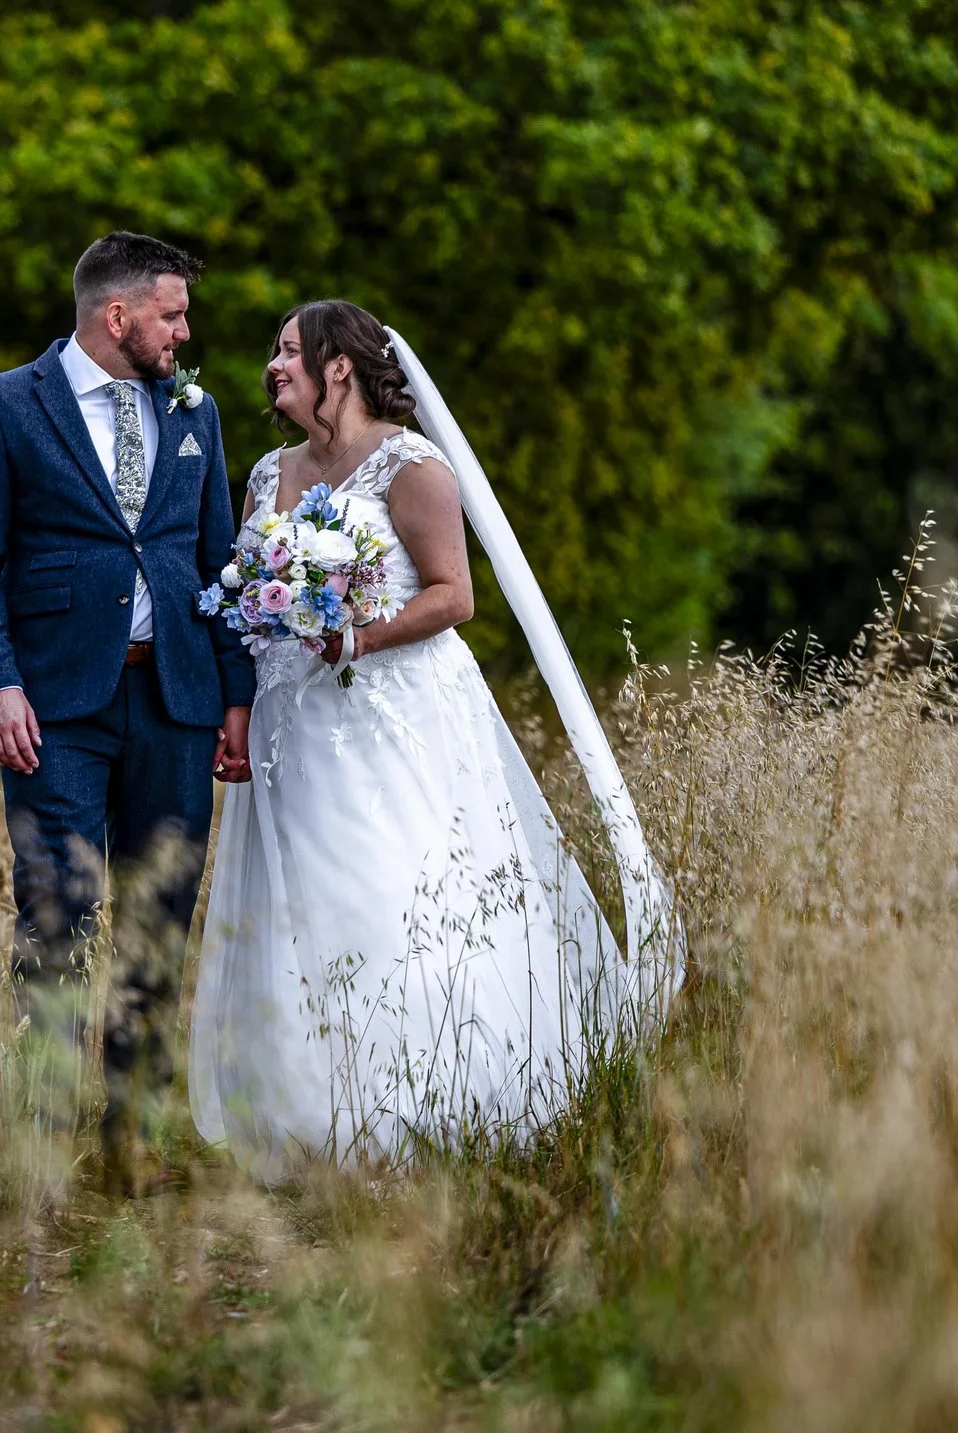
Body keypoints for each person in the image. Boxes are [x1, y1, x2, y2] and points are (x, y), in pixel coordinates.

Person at [188, 300, 678, 1178]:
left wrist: (357, 635)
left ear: (340, 365)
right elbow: (250, 591)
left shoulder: (413, 468)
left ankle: (427, 1106)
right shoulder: (267, 475)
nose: (273, 363)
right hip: (289, 722)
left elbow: (454, 595)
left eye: (289, 348)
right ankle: (314, 1114)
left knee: (390, 889)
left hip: (390, 715)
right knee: (296, 900)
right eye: (274, 350)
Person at [0, 230, 254, 1192]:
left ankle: (133, 1144)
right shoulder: (2, 405)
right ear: (116, 316)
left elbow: (218, 567)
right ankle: (39, 1140)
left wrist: (236, 695)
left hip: (178, 700)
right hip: (53, 710)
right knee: (57, 915)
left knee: (158, 921)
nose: (185, 331)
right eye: (172, 314)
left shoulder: (196, 409)